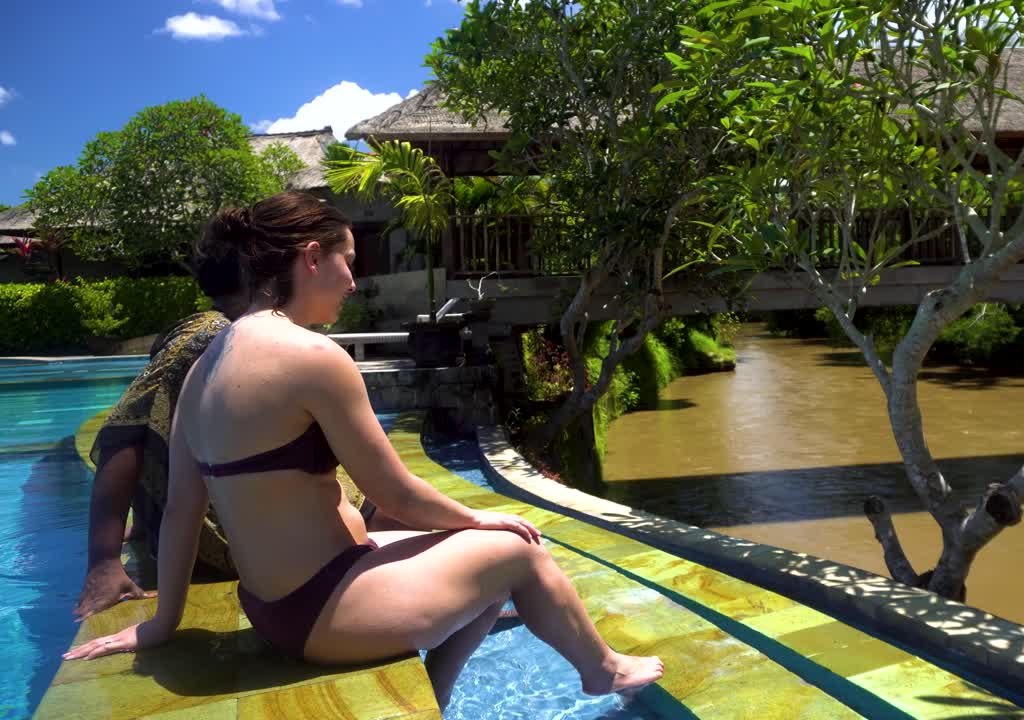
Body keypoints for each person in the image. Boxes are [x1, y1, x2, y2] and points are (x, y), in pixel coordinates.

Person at [64, 191, 664, 709]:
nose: (353, 280)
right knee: (517, 550)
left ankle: (436, 694)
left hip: (274, 610)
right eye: (347, 261)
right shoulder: (314, 357)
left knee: (478, 565)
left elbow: (180, 512)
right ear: (311, 259)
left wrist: (164, 623)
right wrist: (481, 517)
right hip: (327, 611)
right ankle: (602, 670)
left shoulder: (202, 372)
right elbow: (393, 492)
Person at [73, 224, 387, 621]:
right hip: (262, 538)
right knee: (421, 525)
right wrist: (104, 562)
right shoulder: (211, 335)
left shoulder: (242, 337)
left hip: (275, 519)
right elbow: (126, 429)